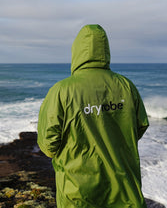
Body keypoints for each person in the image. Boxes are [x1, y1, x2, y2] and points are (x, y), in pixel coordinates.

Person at [37, 24, 149, 208]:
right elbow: (140, 126)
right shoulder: (126, 86)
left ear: (77, 52)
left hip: (78, 193)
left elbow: (48, 144)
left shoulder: (62, 90)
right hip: (126, 191)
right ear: (105, 51)